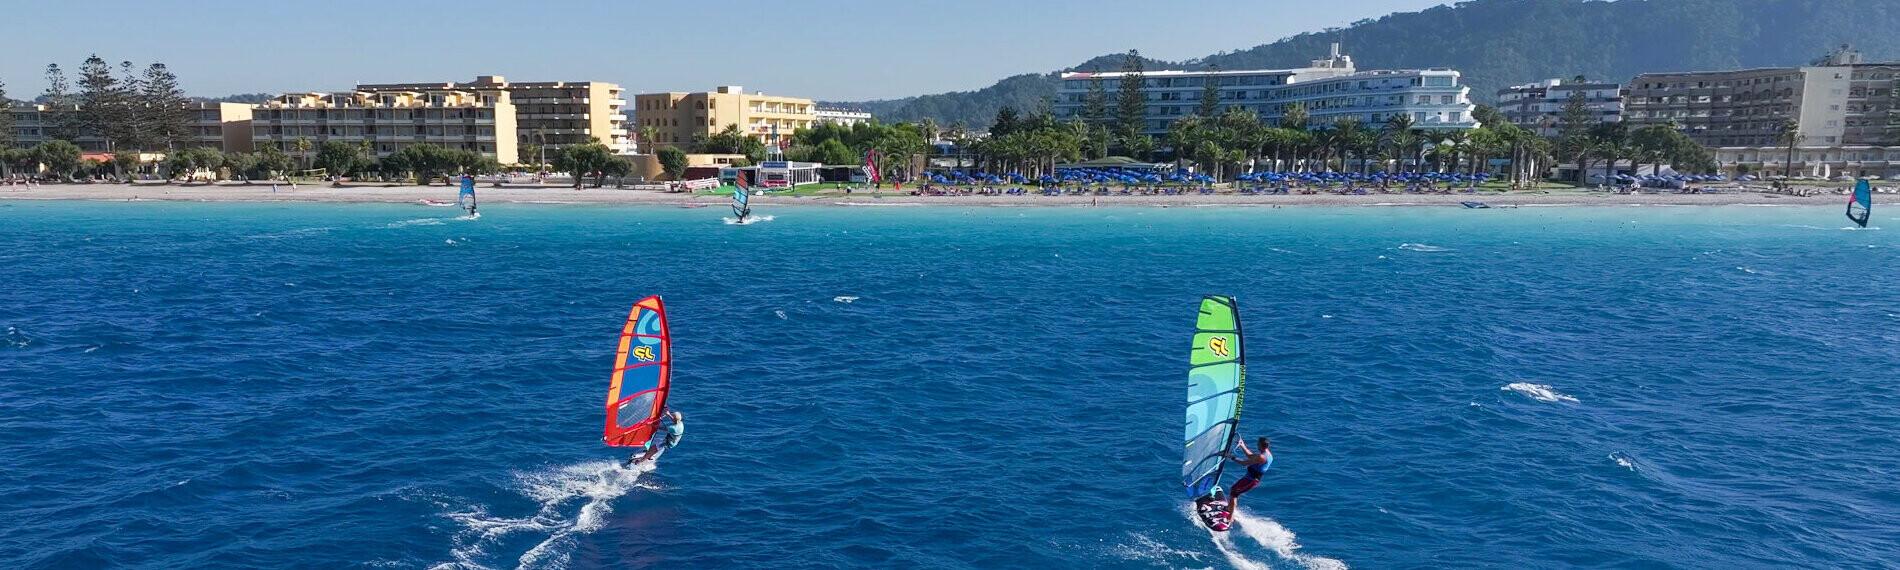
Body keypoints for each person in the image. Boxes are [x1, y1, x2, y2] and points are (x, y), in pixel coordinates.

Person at [1223, 437, 1273, 514]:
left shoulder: (1262, 457)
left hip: (1251, 480)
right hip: (1248, 478)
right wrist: (1242, 445)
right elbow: (1250, 456)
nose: (1257, 445)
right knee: (1234, 491)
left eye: (1258, 444)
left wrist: (1231, 457)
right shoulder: (1267, 454)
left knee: (1234, 493)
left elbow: (1244, 463)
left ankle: (1230, 517)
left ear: (1260, 445)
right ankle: (1229, 508)